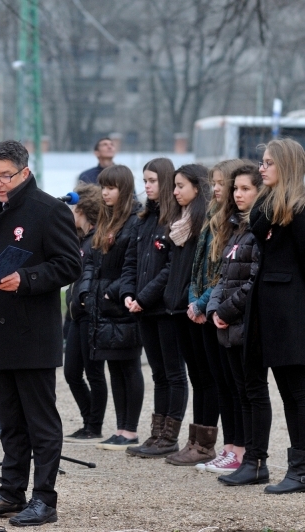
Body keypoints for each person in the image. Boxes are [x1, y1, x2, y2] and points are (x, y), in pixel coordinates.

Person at [0, 140, 81, 527]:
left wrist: (27, 278)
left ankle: (44, 498)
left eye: (5, 176)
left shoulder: (49, 210)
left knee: (40, 420)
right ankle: (10, 491)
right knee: (9, 419)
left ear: (24, 172)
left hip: (32, 331)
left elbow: (69, 266)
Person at [238, 138, 305, 493]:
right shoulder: (271, 206)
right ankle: (297, 467)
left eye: (268, 163)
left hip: (292, 314)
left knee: (298, 393)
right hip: (271, 311)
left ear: (286, 166)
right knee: (288, 393)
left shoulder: (299, 208)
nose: (261, 168)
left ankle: (302, 469)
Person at [180, 160, 247, 469]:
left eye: (223, 183)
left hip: (220, 309)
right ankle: (227, 447)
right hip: (203, 307)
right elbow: (198, 267)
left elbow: (222, 272)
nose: (217, 189)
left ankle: (239, 449)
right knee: (218, 381)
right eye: (216, 183)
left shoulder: (234, 223)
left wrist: (205, 302)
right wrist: (194, 299)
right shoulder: (211, 217)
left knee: (234, 385)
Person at [206, 163, 270, 479]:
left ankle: (257, 462)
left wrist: (226, 311)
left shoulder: (259, 229)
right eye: (236, 188)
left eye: (246, 188)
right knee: (241, 392)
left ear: (260, 192)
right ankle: (247, 461)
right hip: (228, 324)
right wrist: (215, 310)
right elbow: (225, 277)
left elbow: (253, 282)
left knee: (255, 393)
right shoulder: (236, 228)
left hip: (248, 325)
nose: (237, 194)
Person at [79, 166, 144, 451]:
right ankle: (120, 428)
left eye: (112, 187)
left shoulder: (135, 221)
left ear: (125, 189)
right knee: (114, 368)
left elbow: (134, 266)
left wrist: (110, 292)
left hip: (121, 303)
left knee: (128, 366)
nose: (105, 192)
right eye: (103, 186)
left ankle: (130, 429)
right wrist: (86, 291)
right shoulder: (106, 220)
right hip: (102, 305)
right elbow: (92, 261)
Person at [155, 164, 213, 462]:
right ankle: (193, 441)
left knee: (205, 378)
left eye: (181, 186)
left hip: (195, 309)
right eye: (175, 186)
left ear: (197, 187)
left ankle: (204, 443)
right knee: (196, 377)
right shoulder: (180, 222)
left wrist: (197, 303)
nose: (175, 191)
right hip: (178, 307)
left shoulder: (202, 224)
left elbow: (202, 273)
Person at [121, 158, 178, 458]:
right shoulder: (143, 220)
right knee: (157, 373)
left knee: (173, 373)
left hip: (165, 308)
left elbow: (170, 268)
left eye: (152, 181)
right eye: (144, 181)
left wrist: (144, 296)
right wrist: (129, 293)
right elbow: (131, 261)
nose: (146, 186)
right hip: (143, 307)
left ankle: (170, 436)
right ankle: (156, 434)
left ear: (166, 182)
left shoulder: (175, 220)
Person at [63, 183, 106, 442]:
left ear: (82, 209)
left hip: (89, 314)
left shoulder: (96, 241)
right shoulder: (80, 240)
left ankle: (94, 424)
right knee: (71, 373)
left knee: (94, 372)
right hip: (75, 315)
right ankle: (88, 418)